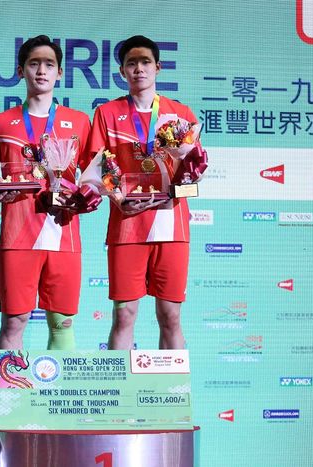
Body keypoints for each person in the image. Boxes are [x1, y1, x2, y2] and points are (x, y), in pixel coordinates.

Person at [88, 35, 201, 350]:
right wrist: (117, 194)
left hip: (172, 226)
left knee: (171, 316)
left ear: (158, 68)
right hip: (127, 227)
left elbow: (196, 168)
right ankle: (118, 395)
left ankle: (174, 394)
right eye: (131, 63)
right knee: (124, 315)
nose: (139, 69)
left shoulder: (179, 113)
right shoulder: (107, 113)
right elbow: (96, 166)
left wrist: (185, 171)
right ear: (123, 72)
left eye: (145, 62)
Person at [0, 35, 94, 351]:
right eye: (34, 64)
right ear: (20, 71)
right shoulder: (1, 123)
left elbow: (96, 175)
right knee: (14, 323)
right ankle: (12, 399)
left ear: (60, 73)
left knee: (63, 324)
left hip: (65, 235)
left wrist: (88, 194)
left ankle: (57, 398)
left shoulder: (79, 122)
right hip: (17, 238)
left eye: (49, 65)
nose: (41, 71)